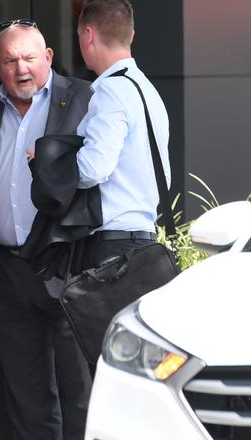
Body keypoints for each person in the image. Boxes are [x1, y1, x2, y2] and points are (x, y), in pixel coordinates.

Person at [0, 21, 93, 440]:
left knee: (78, 392)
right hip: (6, 269)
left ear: (50, 57)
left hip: (65, 265)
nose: (21, 68)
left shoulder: (83, 99)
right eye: (11, 60)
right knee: (27, 393)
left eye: (30, 58)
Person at [75, 0, 171, 271]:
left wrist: (51, 164)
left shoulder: (111, 91)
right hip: (145, 243)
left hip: (113, 248)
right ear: (131, 35)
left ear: (88, 35)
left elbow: (93, 168)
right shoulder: (147, 90)